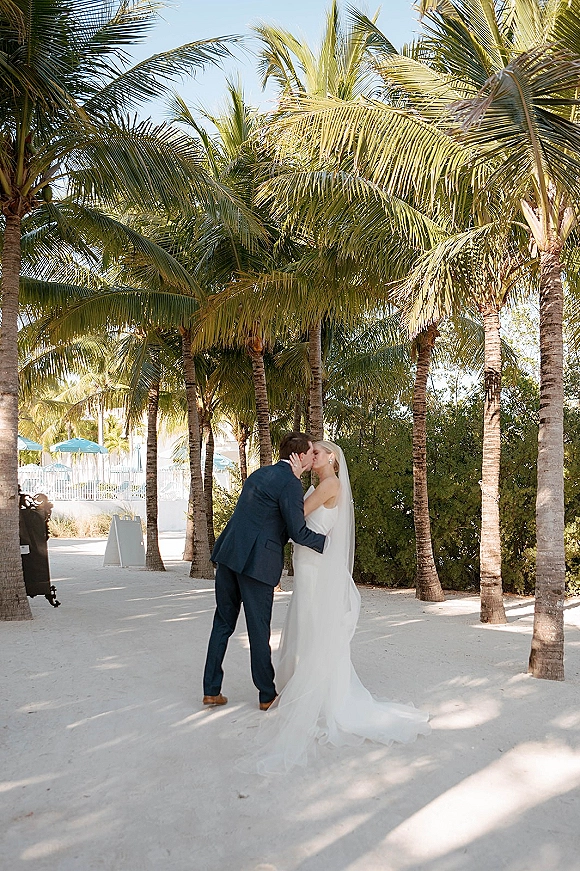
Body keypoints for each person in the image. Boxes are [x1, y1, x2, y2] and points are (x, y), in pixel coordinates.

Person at [243, 440, 431, 775]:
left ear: (331, 457)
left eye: (316, 452)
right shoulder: (322, 484)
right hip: (308, 562)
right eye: (309, 452)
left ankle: (321, 695)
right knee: (306, 624)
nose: (310, 456)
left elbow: (296, 516)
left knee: (314, 625)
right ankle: (304, 685)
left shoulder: (329, 484)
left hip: (314, 566)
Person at [202, 432, 327, 711]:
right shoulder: (290, 483)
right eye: (309, 452)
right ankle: (266, 695)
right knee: (259, 629)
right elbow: (297, 530)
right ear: (299, 455)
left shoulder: (260, 474)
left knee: (223, 623)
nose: (311, 458)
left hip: (229, 554)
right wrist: (327, 543)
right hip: (258, 564)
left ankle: (211, 690)